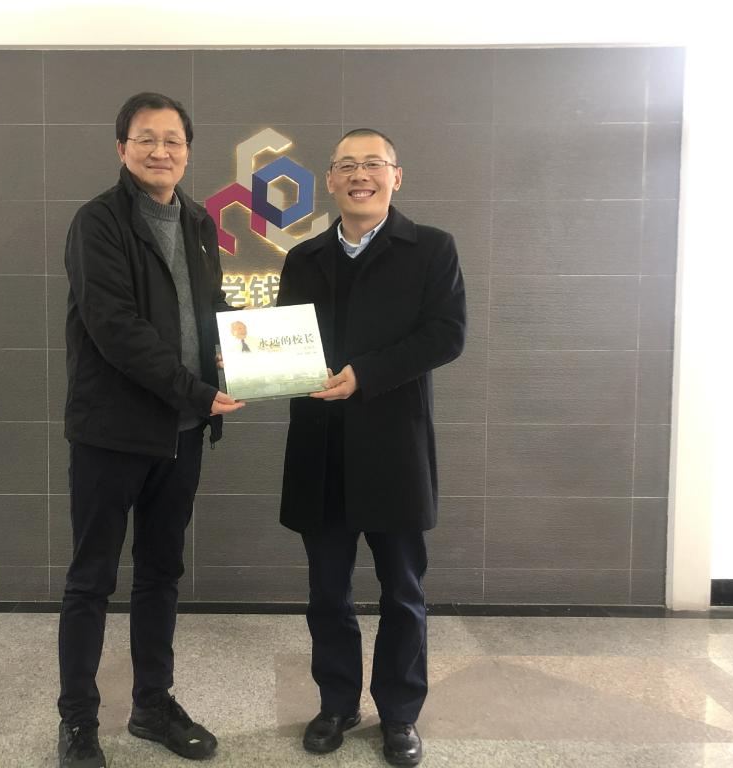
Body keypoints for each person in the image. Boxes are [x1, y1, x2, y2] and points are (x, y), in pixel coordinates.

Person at [57, 92, 244, 768]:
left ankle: (151, 704)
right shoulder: (98, 222)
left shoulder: (198, 221)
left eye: (173, 140)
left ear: (188, 151)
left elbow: (210, 309)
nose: (160, 150)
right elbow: (116, 329)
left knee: (161, 572)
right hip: (112, 432)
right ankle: (78, 722)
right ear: (122, 148)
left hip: (182, 432)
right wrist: (196, 389)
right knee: (92, 579)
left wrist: (249, 355)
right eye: (146, 138)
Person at [276, 128, 467, 767]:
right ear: (330, 180)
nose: (361, 175)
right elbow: (283, 341)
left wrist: (367, 373)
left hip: (394, 448)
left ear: (396, 176)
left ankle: (399, 714)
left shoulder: (431, 248)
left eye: (373, 164)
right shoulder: (303, 258)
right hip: (322, 447)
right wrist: (251, 364)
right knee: (327, 592)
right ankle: (336, 704)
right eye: (347, 166)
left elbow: (447, 335)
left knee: (403, 591)